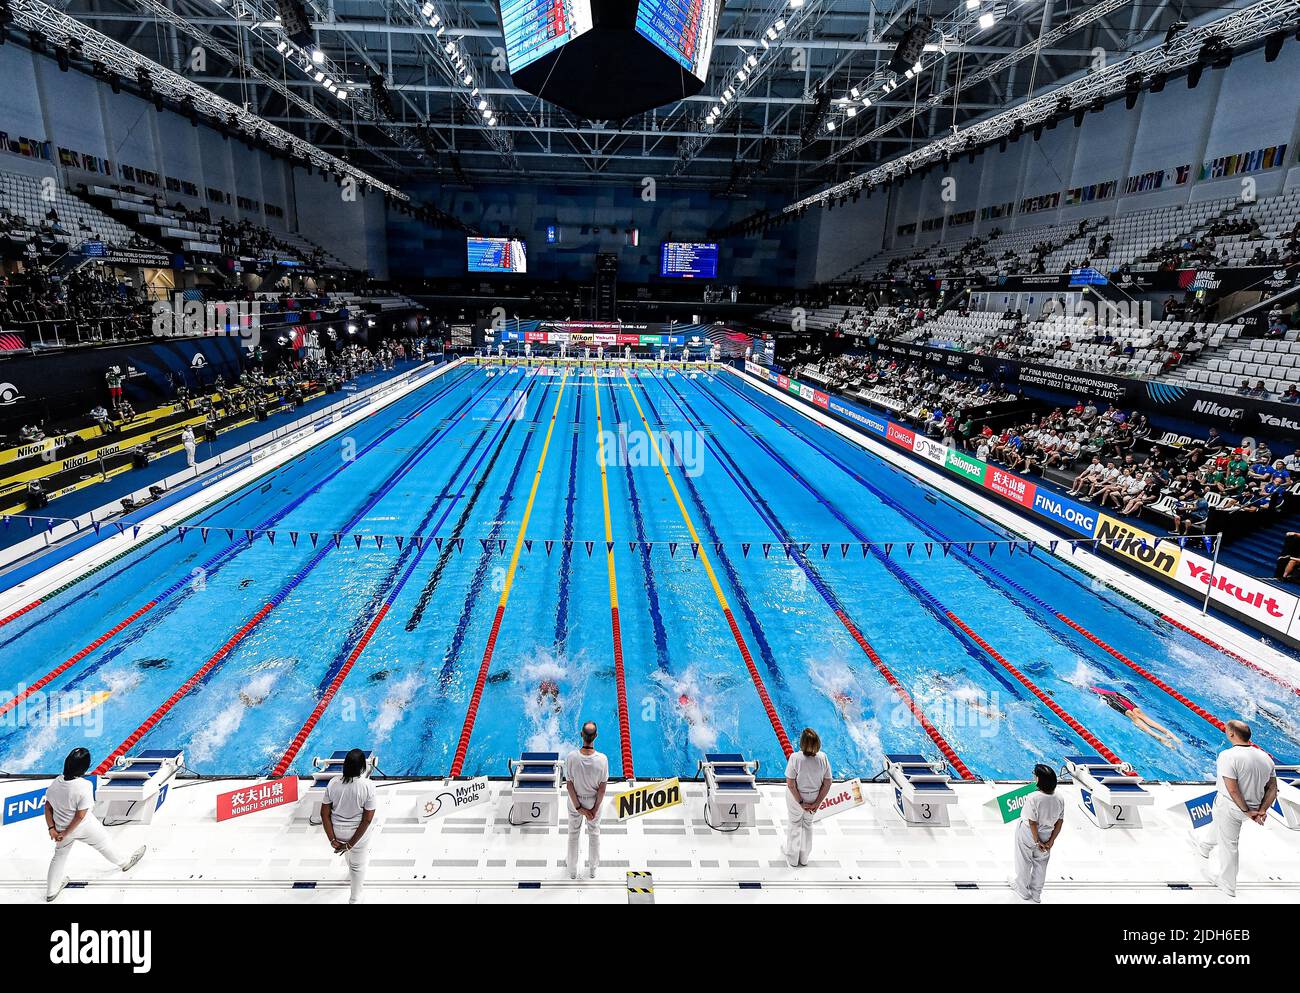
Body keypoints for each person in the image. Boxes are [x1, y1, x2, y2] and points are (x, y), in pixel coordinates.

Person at [44, 747, 147, 902]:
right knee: (104, 843)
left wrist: (52, 829)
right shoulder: (83, 786)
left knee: (59, 856)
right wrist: (67, 832)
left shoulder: (55, 783)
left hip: (59, 827)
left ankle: (51, 891)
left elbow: (48, 807)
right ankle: (125, 862)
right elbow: (80, 815)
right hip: (81, 827)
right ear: (84, 767)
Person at [1194, 720, 1278, 897]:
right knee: (1219, 826)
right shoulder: (1265, 757)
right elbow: (1272, 788)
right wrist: (1261, 810)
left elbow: (1232, 788)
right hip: (1253, 808)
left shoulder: (1228, 755)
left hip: (1233, 806)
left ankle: (1227, 884)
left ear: (1231, 734)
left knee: (1229, 845)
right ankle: (1205, 847)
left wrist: (1246, 810)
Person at [320, 748, 377, 904]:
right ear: (362, 768)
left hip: (337, 832)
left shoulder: (333, 783)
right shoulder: (368, 786)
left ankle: (350, 867)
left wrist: (332, 839)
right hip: (357, 834)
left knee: (347, 853)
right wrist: (351, 844)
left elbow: (324, 814)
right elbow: (367, 820)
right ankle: (355, 899)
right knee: (358, 866)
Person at [1011, 763, 1065, 903]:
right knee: (1041, 864)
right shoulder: (1059, 797)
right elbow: (1059, 822)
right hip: (1048, 833)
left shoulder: (1033, 797)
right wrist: (1051, 841)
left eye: (1034, 775)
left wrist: (1037, 841)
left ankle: (1022, 890)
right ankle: (1036, 894)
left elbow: (1032, 822)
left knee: (1024, 860)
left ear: (1039, 779)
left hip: (1029, 834)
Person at [563, 721, 608, 880]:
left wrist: (578, 808)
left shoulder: (571, 757)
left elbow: (569, 786)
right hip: (594, 801)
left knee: (573, 834)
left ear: (581, 735)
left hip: (576, 800)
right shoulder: (602, 759)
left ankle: (572, 870)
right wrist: (594, 810)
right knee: (594, 833)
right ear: (596, 736)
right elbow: (602, 789)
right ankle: (593, 869)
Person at [783, 727, 833, 868]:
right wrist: (817, 802)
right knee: (807, 825)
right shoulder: (823, 757)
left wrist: (800, 802)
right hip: (814, 797)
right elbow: (828, 782)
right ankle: (804, 858)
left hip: (797, 798)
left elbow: (791, 784)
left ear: (802, 743)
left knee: (795, 824)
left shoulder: (795, 758)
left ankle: (793, 858)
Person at [1089, 686, 1180, 747]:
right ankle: (1167, 733)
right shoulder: (1095, 686)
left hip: (1112, 696)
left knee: (1133, 714)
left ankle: (1158, 735)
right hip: (1116, 694)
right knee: (1138, 713)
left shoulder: (1088, 687)